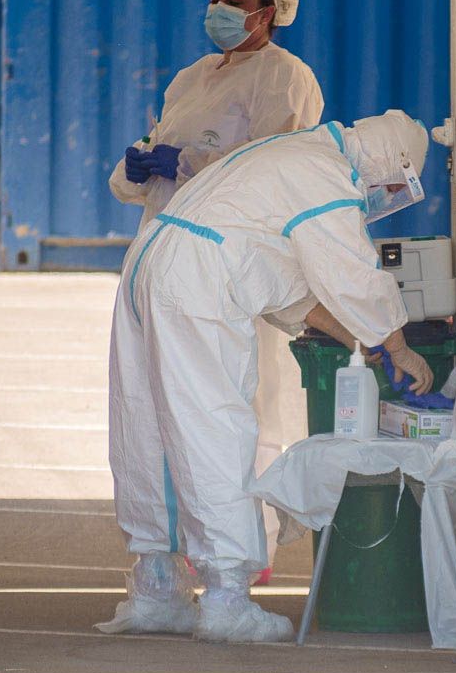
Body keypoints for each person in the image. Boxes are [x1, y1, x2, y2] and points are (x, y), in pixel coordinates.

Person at [97, 110, 435, 642]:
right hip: (197, 283)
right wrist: (395, 343)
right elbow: (352, 274)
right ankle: (227, 598)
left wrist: (355, 338)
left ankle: (156, 590)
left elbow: (288, 282)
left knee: (147, 429)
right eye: (397, 184)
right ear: (389, 163)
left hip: (151, 264)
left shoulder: (293, 154)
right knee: (214, 429)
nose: (388, 198)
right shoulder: (329, 178)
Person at [108, 0, 323, 581]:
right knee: (152, 405)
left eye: (235, 0)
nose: (220, 10)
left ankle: (240, 557)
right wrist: (141, 165)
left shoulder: (284, 76)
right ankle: (166, 557)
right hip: (162, 258)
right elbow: (142, 166)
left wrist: (189, 165)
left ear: (268, 11)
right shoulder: (192, 77)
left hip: (231, 264)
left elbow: (270, 170)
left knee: (237, 405)